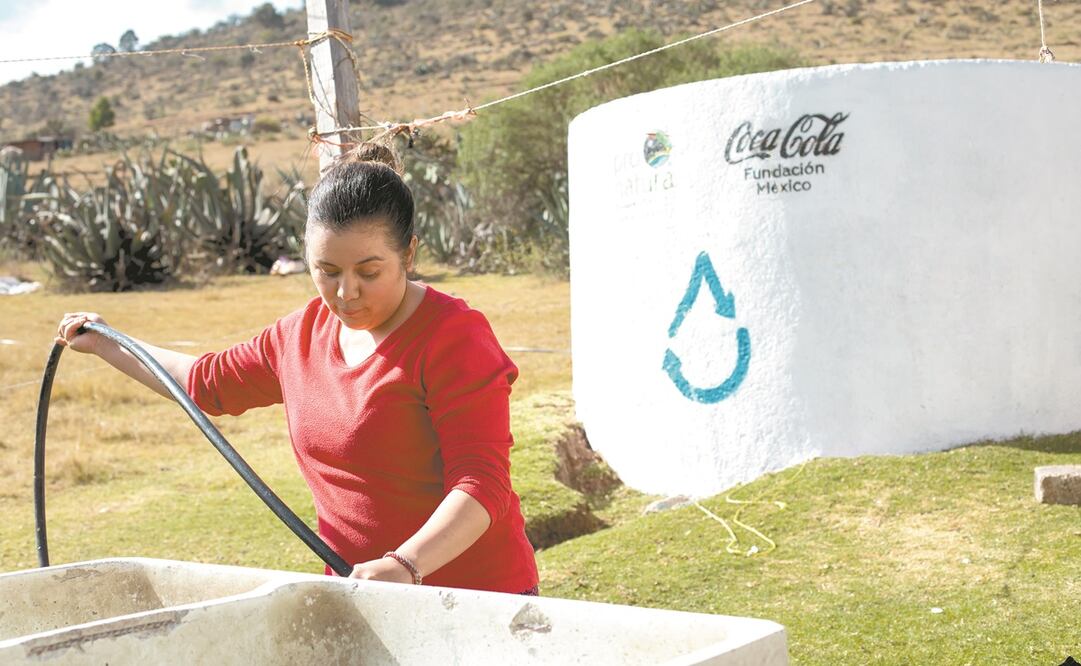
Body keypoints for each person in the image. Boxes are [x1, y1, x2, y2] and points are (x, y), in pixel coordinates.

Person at [55, 143, 539, 595]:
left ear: (409, 254)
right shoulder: (300, 334)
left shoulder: (453, 337)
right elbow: (207, 385)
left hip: (477, 598)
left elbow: (482, 484)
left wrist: (405, 565)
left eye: (369, 273)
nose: (346, 293)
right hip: (364, 596)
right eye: (327, 271)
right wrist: (107, 341)